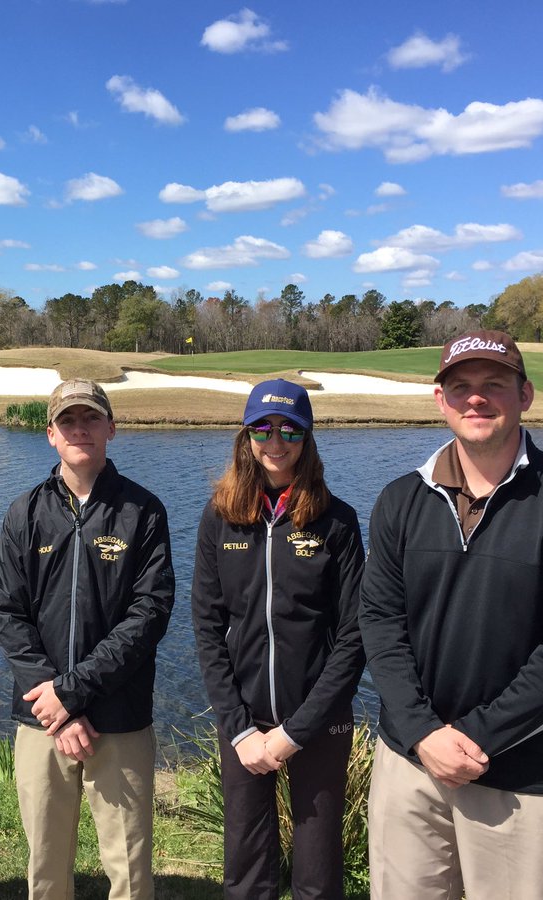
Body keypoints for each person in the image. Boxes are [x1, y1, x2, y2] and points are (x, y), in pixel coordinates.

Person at [358, 330, 543, 899]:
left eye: (494, 385)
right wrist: (422, 732)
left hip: (522, 777)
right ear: (441, 401)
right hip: (408, 764)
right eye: (461, 387)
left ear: (525, 394)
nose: (476, 399)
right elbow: (380, 623)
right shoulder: (400, 500)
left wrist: (475, 737)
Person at [0, 378, 175, 900]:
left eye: (91, 418)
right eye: (68, 421)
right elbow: (7, 611)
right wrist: (57, 702)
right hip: (42, 717)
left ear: (111, 428)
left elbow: (149, 613)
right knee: (46, 866)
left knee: (130, 866)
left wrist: (74, 692)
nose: (80, 429)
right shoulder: (24, 511)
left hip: (118, 717)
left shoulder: (144, 511)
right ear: (49, 434)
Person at [191, 379, 365, 899]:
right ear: (245, 438)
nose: (276, 440)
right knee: (245, 867)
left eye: (290, 428)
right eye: (262, 428)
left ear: (307, 438)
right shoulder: (219, 517)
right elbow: (206, 627)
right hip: (243, 720)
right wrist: (239, 727)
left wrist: (297, 730)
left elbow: (354, 636)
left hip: (317, 721)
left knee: (317, 872)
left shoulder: (337, 522)